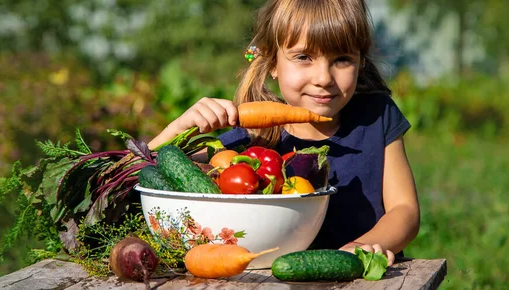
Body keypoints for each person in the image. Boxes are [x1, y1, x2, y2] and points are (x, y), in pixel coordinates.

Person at [148, 0, 419, 266]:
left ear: (361, 61)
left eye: (342, 59)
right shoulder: (250, 139)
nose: (323, 78)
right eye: (304, 57)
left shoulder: (377, 116)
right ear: (273, 63)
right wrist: (176, 130)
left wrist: (361, 248)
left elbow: (404, 210)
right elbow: (148, 168)